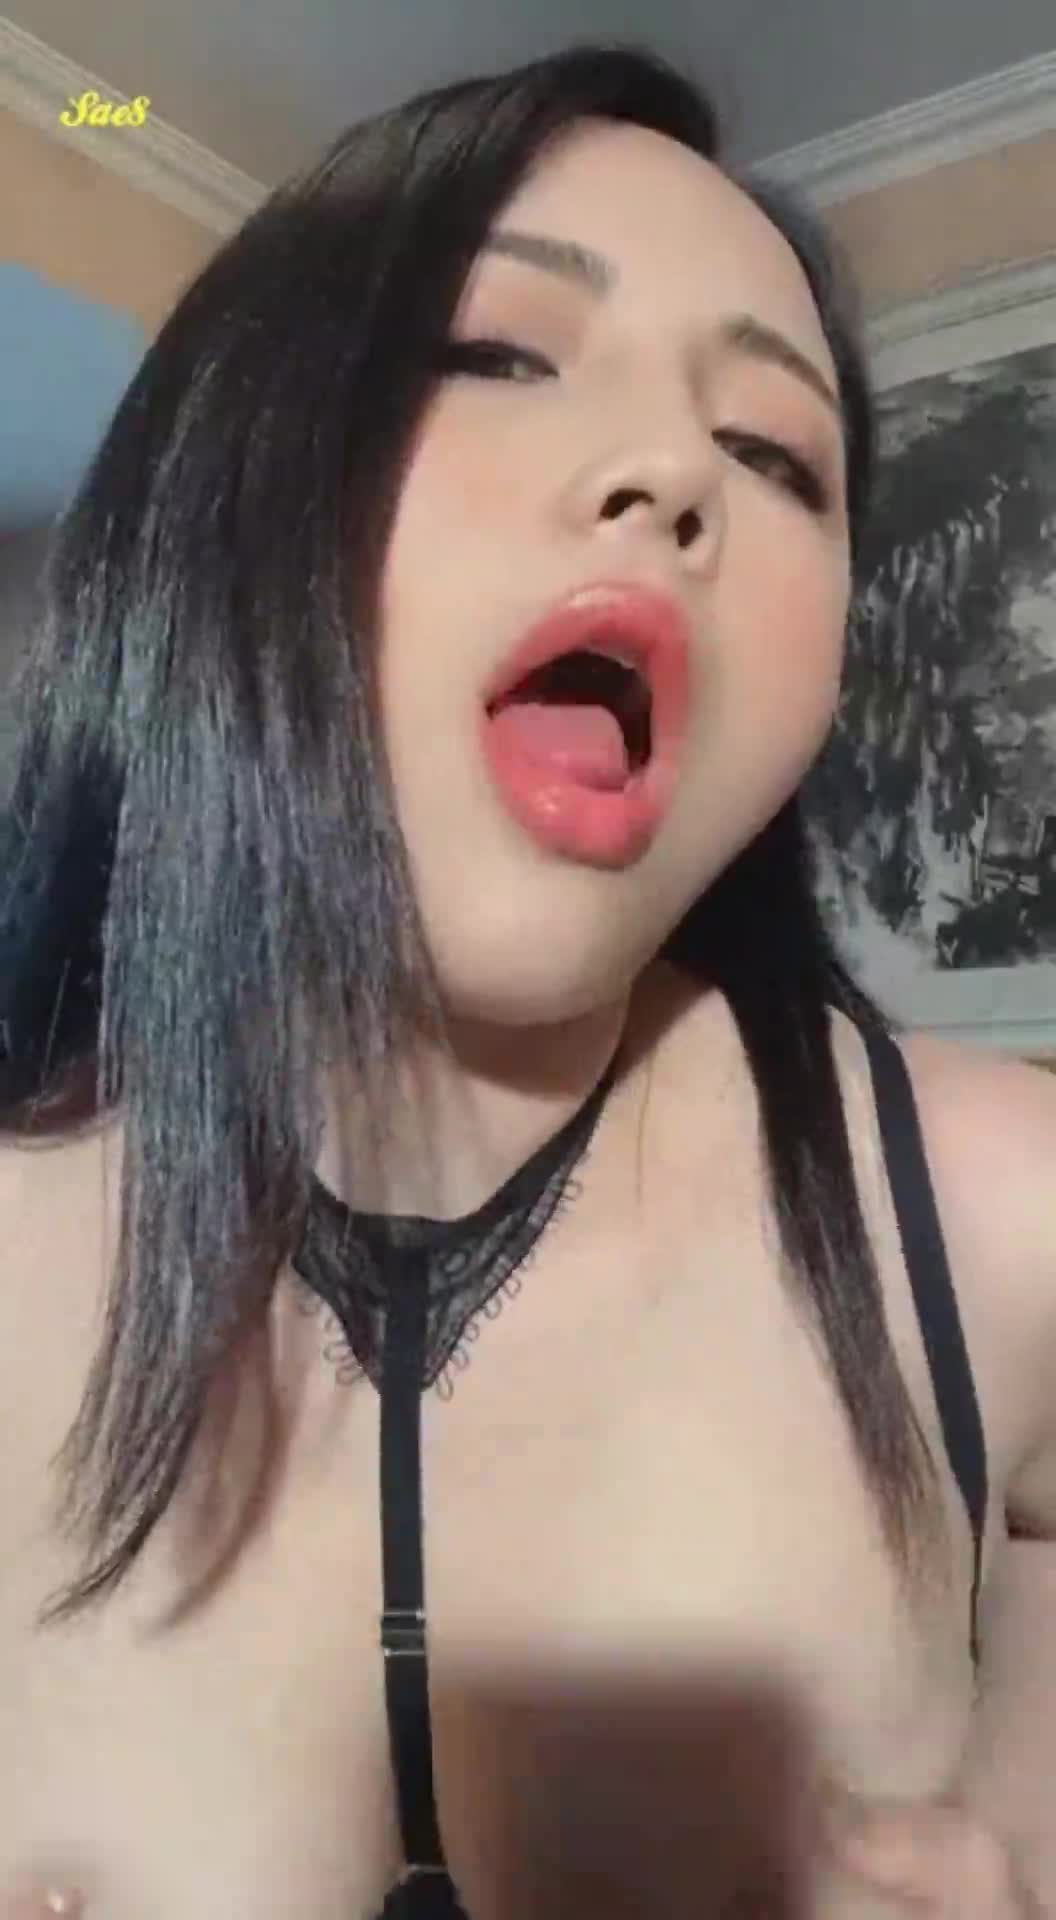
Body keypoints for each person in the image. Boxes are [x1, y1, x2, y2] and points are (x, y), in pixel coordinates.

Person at [0, 37, 1053, 1919]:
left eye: (775, 454)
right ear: (231, 465)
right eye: (497, 353)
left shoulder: (1002, 1206)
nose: (673, 475)